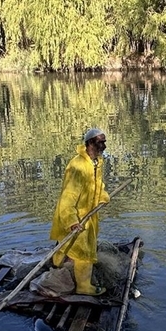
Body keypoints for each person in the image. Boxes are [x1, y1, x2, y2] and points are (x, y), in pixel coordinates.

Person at [50, 127, 110, 296]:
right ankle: (84, 286)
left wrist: (103, 196)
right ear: (90, 143)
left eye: (104, 142)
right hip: (77, 215)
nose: (104, 146)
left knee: (66, 243)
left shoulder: (96, 162)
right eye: (101, 142)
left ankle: (56, 265)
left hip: (89, 214)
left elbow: (97, 185)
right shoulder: (77, 166)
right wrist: (71, 220)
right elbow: (68, 196)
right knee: (84, 252)